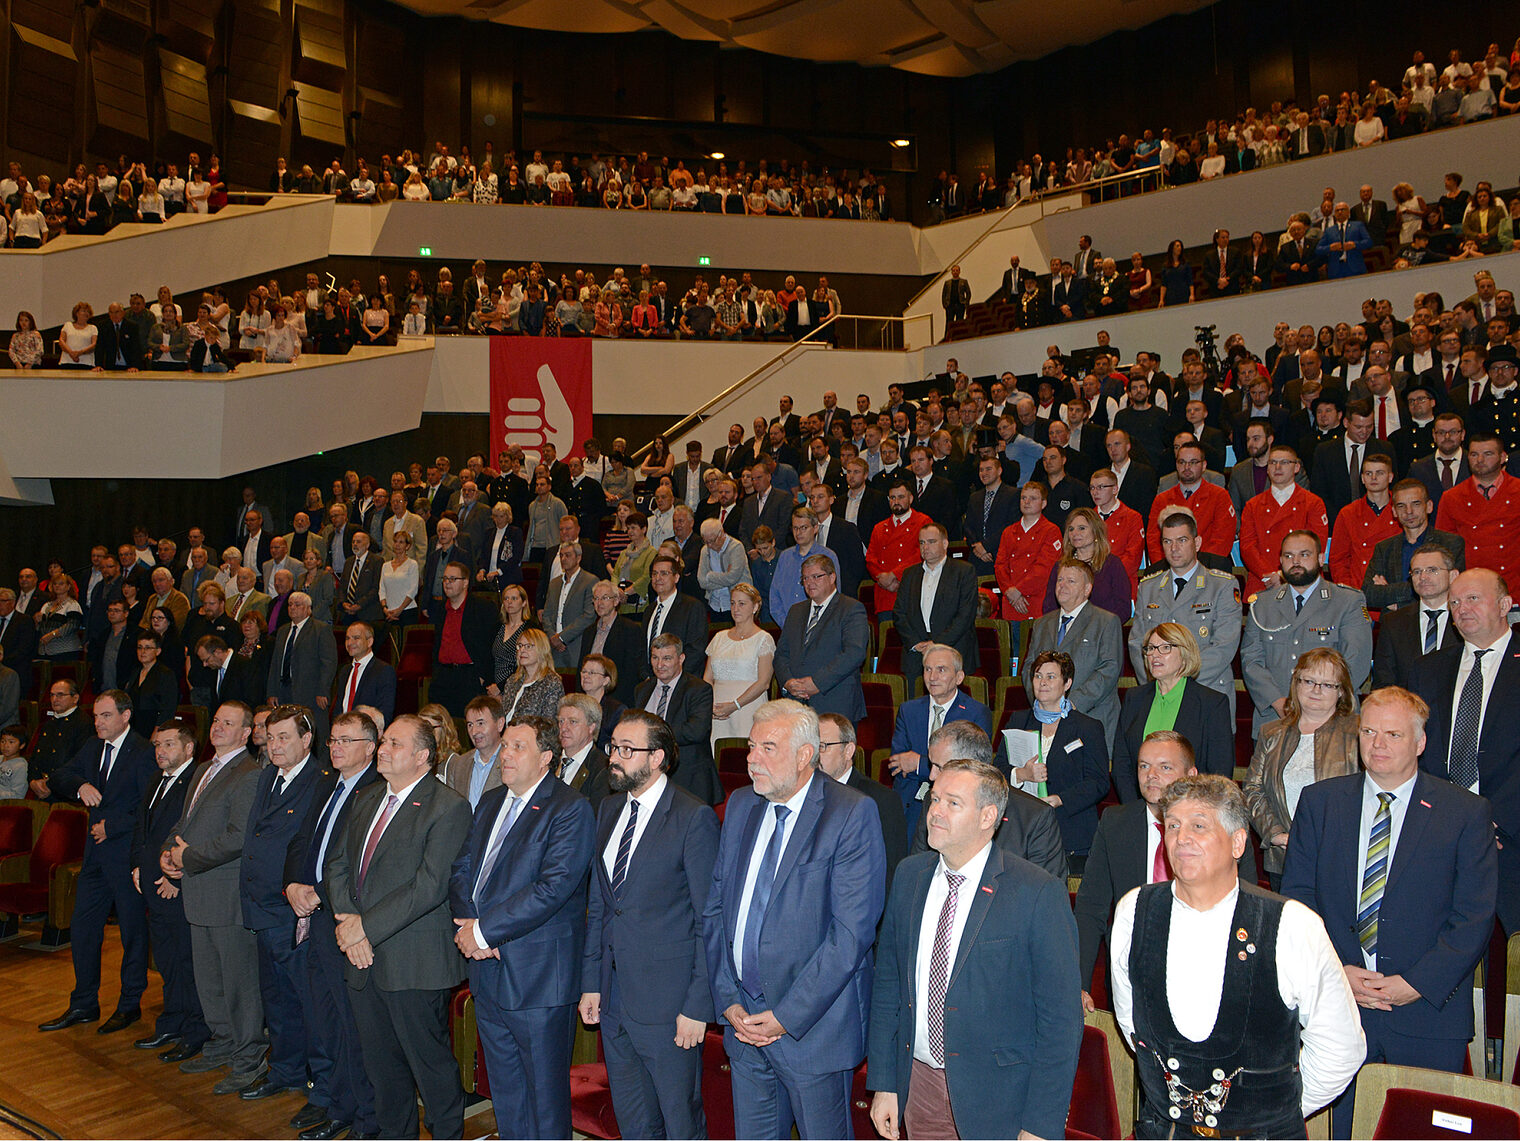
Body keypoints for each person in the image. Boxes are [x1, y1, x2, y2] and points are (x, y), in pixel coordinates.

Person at [1283, 687, 1497, 1139]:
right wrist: (1338, 971)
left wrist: (1415, 983)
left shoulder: (1464, 811)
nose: (1377, 744)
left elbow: (1473, 917)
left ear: (1420, 742)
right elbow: (1298, 899)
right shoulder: (1320, 803)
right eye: (1368, 732)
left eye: (1393, 734)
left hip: (1428, 1016)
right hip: (1339, 1007)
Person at [1111, 775, 1366, 1137]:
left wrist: (1271, 1113)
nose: (1182, 838)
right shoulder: (1133, 911)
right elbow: (1132, 1023)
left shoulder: (1293, 925)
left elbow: (1341, 1048)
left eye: (1199, 826)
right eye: (1173, 825)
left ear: (1238, 842)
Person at [868, 757, 1081, 1141]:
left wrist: (1040, 1125)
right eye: (934, 800)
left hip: (1000, 1100)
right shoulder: (909, 876)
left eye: (952, 803)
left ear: (988, 817)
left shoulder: (1036, 891)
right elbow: (889, 987)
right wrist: (885, 1081)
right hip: (922, 1087)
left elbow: (1061, 1024)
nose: (935, 812)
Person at [700, 699, 886, 1140]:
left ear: (805, 756)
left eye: (767, 747)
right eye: (750, 747)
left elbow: (850, 936)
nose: (750, 759)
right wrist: (727, 998)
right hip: (743, 1024)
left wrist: (784, 1016)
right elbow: (715, 911)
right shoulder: (742, 804)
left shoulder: (851, 813)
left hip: (812, 1033)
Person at [448, 714, 594, 1141]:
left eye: (518, 747)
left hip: (537, 978)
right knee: (507, 1093)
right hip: (488, 970)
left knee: (544, 1100)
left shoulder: (569, 808)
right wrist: (472, 928)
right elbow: (462, 870)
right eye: (505, 745)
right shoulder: (492, 800)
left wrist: (484, 932)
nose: (505, 754)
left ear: (546, 757)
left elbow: (552, 889)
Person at [328, 715, 472, 1140]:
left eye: (394, 742)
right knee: (382, 1070)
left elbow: (428, 887)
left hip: (413, 961)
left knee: (430, 1068)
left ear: (423, 756)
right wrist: (350, 924)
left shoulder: (448, 807)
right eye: (384, 740)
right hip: (363, 957)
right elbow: (337, 865)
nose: (382, 748)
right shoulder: (367, 798)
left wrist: (363, 930)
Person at [579, 708, 720, 1139]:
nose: (614, 758)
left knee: (680, 1122)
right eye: (613, 747)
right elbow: (601, 904)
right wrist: (592, 982)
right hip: (616, 999)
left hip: (669, 1004)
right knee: (634, 1121)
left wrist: (698, 1006)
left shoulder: (693, 817)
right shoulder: (607, 809)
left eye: (626, 749)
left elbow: (708, 920)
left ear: (657, 757)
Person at [281, 709, 382, 1140]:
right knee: (325, 1021)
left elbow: (359, 864)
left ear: (370, 748)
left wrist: (318, 892)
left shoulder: (376, 791)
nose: (336, 747)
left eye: (346, 740)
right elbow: (302, 840)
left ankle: (367, 1118)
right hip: (312, 917)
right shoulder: (327, 785)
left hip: (344, 919)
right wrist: (291, 885)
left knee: (353, 1026)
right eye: (334, 740)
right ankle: (338, 1104)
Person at [39, 691, 155, 1035]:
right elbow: (59, 776)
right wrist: (81, 785)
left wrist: (113, 825)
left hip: (127, 857)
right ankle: (83, 1003)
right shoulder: (92, 747)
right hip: (94, 858)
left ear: (125, 716)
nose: (98, 722)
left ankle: (129, 1005)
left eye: (105, 716)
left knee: (133, 933)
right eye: (95, 716)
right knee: (84, 929)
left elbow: (151, 808)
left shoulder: (144, 753)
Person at [1411, 568, 1520, 933]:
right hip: (1441, 833)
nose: (1461, 609)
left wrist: (1494, 820)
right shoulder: (1428, 670)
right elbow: (1419, 752)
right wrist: (1451, 816)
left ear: (1505, 604)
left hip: (1511, 837)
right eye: (1454, 601)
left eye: (1473, 598)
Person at [158, 702, 263, 1076]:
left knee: (239, 984)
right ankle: (222, 1042)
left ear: (246, 732)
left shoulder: (248, 774)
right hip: (198, 894)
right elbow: (184, 823)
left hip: (226, 897)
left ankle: (248, 1057)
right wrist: (169, 853)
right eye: (216, 720)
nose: (217, 727)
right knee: (209, 982)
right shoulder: (204, 769)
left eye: (228, 723)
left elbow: (238, 838)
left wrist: (190, 859)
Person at [237, 705, 323, 1100]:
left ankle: (317, 1081)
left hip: (291, 910)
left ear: (307, 740)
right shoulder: (268, 776)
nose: (275, 745)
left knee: (304, 999)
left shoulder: (321, 781)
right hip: (261, 906)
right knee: (277, 999)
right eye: (270, 737)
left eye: (284, 737)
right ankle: (284, 1069)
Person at [1242, 648, 1361, 889]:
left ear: (1341, 692)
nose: (1317, 690)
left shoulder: (1357, 732)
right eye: (1309, 681)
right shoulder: (1271, 732)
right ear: (1296, 684)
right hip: (1284, 857)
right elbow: (1253, 790)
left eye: (1328, 684)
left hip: (1340, 858)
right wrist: (1274, 833)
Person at [1241, 530, 1373, 737]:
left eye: (1304, 554)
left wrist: (1318, 707)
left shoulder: (1347, 601)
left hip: (1333, 719)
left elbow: (1356, 662)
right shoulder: (1262, 604)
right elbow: (1251, 661)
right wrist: (1279, 703)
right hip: (1276, 719)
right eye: (1288, 556)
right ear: (1280, 560)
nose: (1295, 561)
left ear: (1321, 558)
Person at [131, 719, 207, 1059]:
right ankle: (171, 1022)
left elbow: (191, 832)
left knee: (186, 960)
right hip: (151, 880)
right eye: (158, 745)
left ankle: (194, 1030)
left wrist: (175, 876)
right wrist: (137, 864)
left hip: (174, 885)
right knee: (166, 960)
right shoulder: (155, 779)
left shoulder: (196, 782)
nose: (161, 751)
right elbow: (142, 827)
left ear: (189, 748)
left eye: (169, 745)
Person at [909, 721, 1069, 880]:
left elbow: (1046, 892)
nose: (931, 776)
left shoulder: (1034, 817)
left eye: (940, 767)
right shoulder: (932, 802)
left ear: (972, 766)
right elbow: (917, 873)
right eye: (931, 765)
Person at [1003, 650, 1112, 869]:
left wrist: (1059, 799)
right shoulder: (1019, 720)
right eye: (1037, 675)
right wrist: (1021, 774)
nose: (1042, 682)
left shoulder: (1087, 727)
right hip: (1023, 831)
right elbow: (996, 771)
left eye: (1051, 677)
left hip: (1071, 832)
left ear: (1067, 683)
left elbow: (1098, 783)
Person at [1129, 510, 1243, 716]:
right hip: (1159, 695)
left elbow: (1224, 646)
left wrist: (1178, 682)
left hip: (1206, 693)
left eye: (1182, 540)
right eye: (1167, 541)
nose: (1174, 549)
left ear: (1197, 543)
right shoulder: (1149, 587)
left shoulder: (1221, 585)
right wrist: (1158, 681)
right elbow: (1138, 643)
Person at [1113, 623, 1234, 803]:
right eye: (1151, 648)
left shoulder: (1212, 703)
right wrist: (1136, 811)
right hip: (1140, 809)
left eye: (1165, 648)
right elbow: (1122, 764)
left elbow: (1218, 773)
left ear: (1185, 654)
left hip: (1190, 811)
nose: (1155, 654)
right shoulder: (1134, 698)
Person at [887, 644, 993, 835]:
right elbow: (898, 764)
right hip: (911, 804)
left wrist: (918, 763)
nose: (932, 677)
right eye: (928, 669)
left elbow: (971, 769)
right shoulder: (908, 710)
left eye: (941, 670)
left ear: (959, 677)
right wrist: (917, 765)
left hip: (953, 806)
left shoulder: (976, 714)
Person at [1022, 559, 1123, 749]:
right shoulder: (1042, 624)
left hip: (1091, 719)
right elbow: (1029, 667)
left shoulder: (1106, 622)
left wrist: (1070, 704)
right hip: (1046, 723)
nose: (1062, 586)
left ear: (1087, 589)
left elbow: (1109, 670)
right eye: (1060, 580)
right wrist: (1042, 702)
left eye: (1071, 581)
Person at [773, 553, 870, 726]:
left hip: (835, 703)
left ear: (832, 577)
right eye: (805, 578)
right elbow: (781, 654)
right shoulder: (795, 611)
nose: (809, 583)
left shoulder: (851, 608)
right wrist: (787, 682)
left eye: (816, 576)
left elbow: (854, 653)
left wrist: (817, 682)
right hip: (796, 706)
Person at [817, 713, 909, 889]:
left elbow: (890, 874)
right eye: (812, 747)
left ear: (848, 751)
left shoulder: (881, 800)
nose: (815, 756)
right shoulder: (802, 796)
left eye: (822, 746)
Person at [633, 634, 721, 805]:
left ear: (681, 658)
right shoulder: (642, 689)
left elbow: (696, 731)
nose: (660, 665)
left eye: (666, 658)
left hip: (688, 779)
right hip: (648, 778)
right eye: (655, 658)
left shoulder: (698, 689)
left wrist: (653, 734)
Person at [892, 522, 979, 681]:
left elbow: (965, 616)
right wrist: (915, 643)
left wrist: (937, 644)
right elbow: (899, 613)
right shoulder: (910, 574)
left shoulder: (964, 571)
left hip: (953, 653)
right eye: (922, 543)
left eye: (931, 542)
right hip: (916, 656)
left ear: (945, 544)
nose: (925, 547)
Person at [1239, 445, 1330, 598]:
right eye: (1273, 462)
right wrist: (1268, 575)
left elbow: (1316, 546)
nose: (1278, 467)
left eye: (1285, 462)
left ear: (1296, 468)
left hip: (1302, 581)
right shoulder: (1253, 505)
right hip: (1262, 582)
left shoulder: (1313, 503)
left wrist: (1282, 575)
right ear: (1267, 469)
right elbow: (1247, 546)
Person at [1362, 478, 1466, 611]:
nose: (1409, 511)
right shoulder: (1384, 548)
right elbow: (1369, 594)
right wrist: (1425, 587)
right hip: (1394, 626)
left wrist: (1396, 601)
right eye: (1401, 506)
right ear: (1394, 511)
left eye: (1416, 504)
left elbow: (1453, 589)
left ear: (1429, 506)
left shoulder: (1451, 543)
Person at [1372, 545, 1463, 688]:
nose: (1423, 577)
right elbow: (1383, 681)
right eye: (1417, 571)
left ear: (1453, 576)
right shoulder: (1393, 622)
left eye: (1432, 570)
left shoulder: (1466, 619)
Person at [704, 582, 774, 748]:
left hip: (748, 708)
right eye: (733, 603)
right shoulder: (719, 637)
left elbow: (764, 683)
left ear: (755, 607)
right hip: (717, 710)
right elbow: (707, 677)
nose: (736, 609)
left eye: (742, 604)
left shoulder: (763, 639)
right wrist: (710, 705)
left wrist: (735, 705)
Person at [265, 593, 337, 741]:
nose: (293, 608)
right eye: (290, 604)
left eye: (297, 605)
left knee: (313, 732)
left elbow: (328, 663)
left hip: (311, 692)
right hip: (284, 689)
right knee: (286, 730)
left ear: (308, 609)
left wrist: (323, 690)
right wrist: (272, 691)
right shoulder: (283, 630)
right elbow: (276, 663)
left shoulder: (320, 629)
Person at [430, 561, 497, 717]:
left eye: (453, 579)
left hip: (470, 677)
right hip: (443, 677)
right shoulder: (441, 609)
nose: (447, 583)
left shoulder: (483, 607)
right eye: (445, 578)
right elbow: (437, 644)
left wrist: (481, 677)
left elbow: (491, 645)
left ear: (465, 582)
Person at [1041, 507, 1131, 619]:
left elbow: (1123, 608)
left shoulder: (1112, 564)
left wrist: (1099, 629)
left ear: (1096, 532)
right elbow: (1049, 607)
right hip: (1067, 632)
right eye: (1071, 529)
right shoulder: (1060, 566)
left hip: (1102, 632)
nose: (1075, 533)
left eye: (1082, 528)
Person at [994, 482, 1064, 625]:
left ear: (1043, 503)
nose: (1027, 502)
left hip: (1037, 602)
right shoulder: (1009, 532)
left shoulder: (1051, 531)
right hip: (1010, 602)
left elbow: (1044, 569)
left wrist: (1018, 591)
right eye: (1023, 498)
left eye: (1033, 498)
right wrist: (1008, 590)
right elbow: (1000, 565)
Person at [497, 627, 565, 723]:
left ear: (541, 649)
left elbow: (549, 725)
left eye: (528, 646)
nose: (522, 650)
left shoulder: (551, 682)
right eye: (520, 646)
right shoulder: (513, 680)